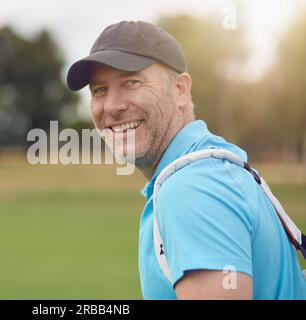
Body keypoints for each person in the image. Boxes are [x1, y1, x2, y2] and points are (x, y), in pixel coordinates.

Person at [66, 20, 306, 300]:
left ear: (180, 90)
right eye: (99, 90)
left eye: (131, 82)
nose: (113, 105)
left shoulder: (191, 188)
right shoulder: (218, 165)